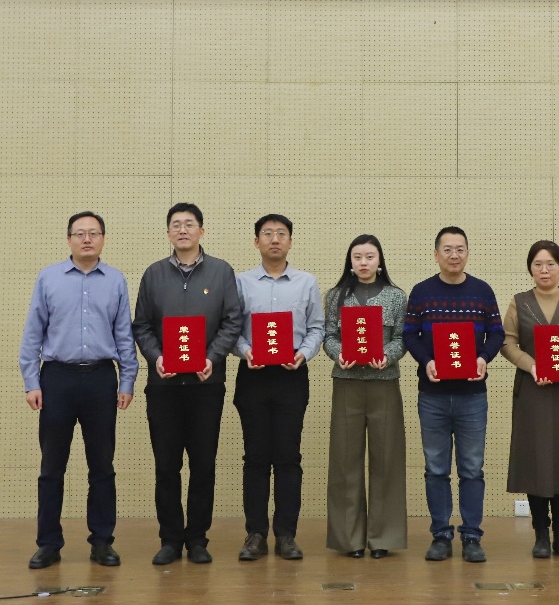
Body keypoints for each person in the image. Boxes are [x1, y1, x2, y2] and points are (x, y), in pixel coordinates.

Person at [18, 211, 139, 570]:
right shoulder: (49, 278)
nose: (87, 239)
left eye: (93, 233)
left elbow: (124, 334)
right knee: (51, 467)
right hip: (57, 379)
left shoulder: (115, 280)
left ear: (103, 239)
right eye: (80, 233)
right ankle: (48, 543)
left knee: (102, 466)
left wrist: (127, 381)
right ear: (69, 239)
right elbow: (33, 333)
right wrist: (31, 382)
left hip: (101, 379)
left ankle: (102, 542)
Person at [133, 203, 242, 565]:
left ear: (201, 231)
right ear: (168, 233)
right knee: (166, 466)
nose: (183, 230)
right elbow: (142, 326)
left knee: (203, 465)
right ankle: (169, 539)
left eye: (189, 224)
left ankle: (197, 538)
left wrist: (212, 357)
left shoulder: (221, 272)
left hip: (205, 384)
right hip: (163, 386)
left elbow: (232, 321)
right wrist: (156, 357)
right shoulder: (153, 274)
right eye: (176, 225)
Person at [403, 227, 504, 564]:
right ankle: (441, 536)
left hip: (472, 395)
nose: (454, 255)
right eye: (447, 249)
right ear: (436, 255)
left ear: (468, 253)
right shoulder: (421, 292)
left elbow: (497, 333)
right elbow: (409, 335)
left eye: (460, 249)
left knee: (472, 468)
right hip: (432, 394)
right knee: (436, 468)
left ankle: (472, 536)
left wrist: (483, 358)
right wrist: (427, 361)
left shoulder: (482, 291)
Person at [232, 214, 324, 562]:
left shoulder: (306, 282)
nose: (274, 239)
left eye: (281, 234)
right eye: (267, 234)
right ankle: (255, 534)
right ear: (256, 241)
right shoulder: (241, 282)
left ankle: (286, 534)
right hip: (253, 375)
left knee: (288, 457)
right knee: (255, 458)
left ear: (290, 241)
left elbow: (316, 327)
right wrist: (246, 350)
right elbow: (231, 329)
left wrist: (304, 353)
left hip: (291, 376)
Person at [501, 240, 559, 559]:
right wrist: (532, 366)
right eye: (538, 264)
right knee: (536, 460)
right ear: (530, 268)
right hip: (532, 391)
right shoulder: (519, 302)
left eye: (551, 264)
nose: (544, 270)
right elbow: (508, 343)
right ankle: (540, 533)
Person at [322, 235, 408, 560]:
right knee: (345, 461)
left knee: (386, 459)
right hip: (347, 383)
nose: (363, 262)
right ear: (350, 261)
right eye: (357, 256)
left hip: (384, 383)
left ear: (379, 261)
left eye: (369, 256)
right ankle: (350, 538)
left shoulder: (396, 296)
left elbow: (401, 338)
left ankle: (383, 536)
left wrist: (388, 355)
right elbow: (329, 336)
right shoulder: (336, 296)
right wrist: (338, 354)